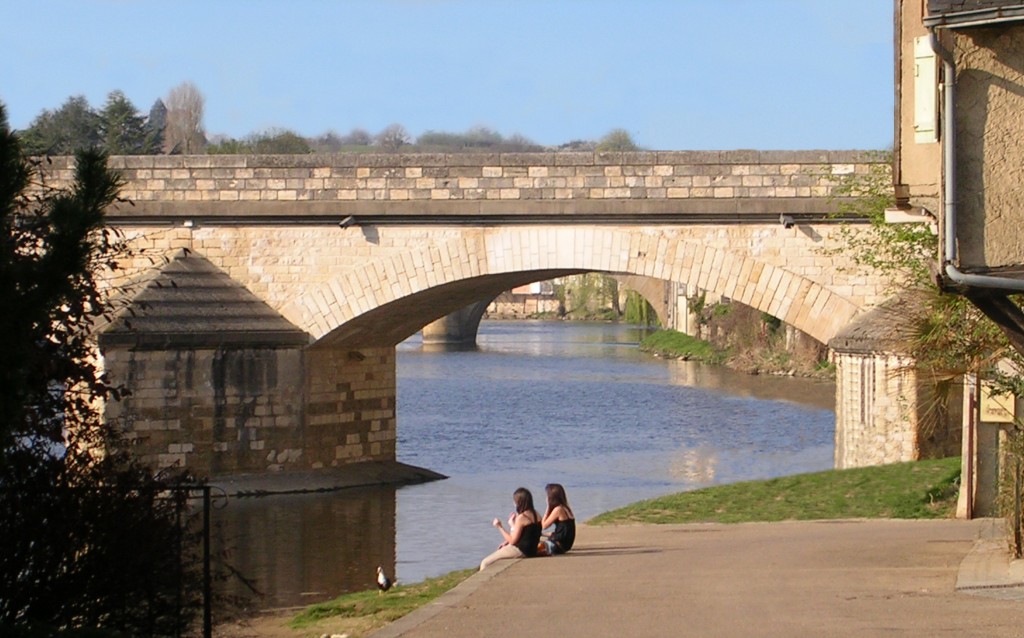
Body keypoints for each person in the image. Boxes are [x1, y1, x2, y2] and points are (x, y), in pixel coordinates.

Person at [479, 487, 542, 571]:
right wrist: (512, 525)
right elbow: (526, 534)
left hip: (521, 550)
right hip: (532, 550)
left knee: (485, 562)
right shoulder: (536, 514)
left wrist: (499, 526)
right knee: (502, 549)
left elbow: (513, 541)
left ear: (519, 502)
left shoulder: (522, 517)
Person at [538, 483, 575, 556]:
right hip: (565, 544)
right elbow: (562, 531)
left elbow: (543, 525)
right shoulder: (566, 508)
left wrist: (548, 507)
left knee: (532, 546)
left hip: (558, 545)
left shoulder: (558, 510)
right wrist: (542, 534)